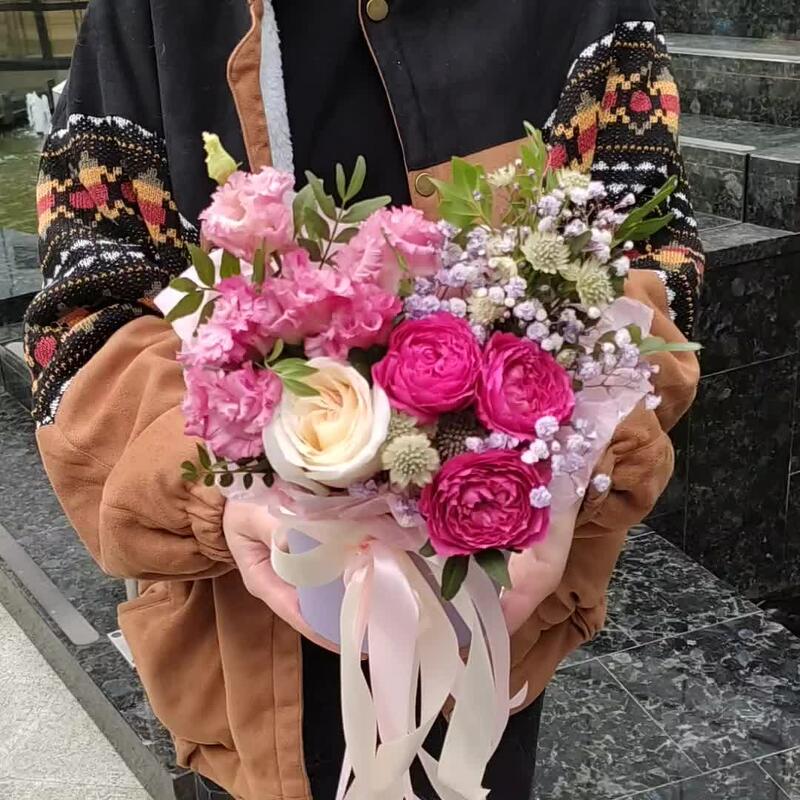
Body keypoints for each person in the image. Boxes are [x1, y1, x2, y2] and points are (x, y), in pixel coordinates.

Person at [24, 1, 702, 798]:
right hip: (247, 650)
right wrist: (221, 480)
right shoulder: (152, 15)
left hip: (498, 617)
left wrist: (569, 462)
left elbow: (654, 257)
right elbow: (79, 324)